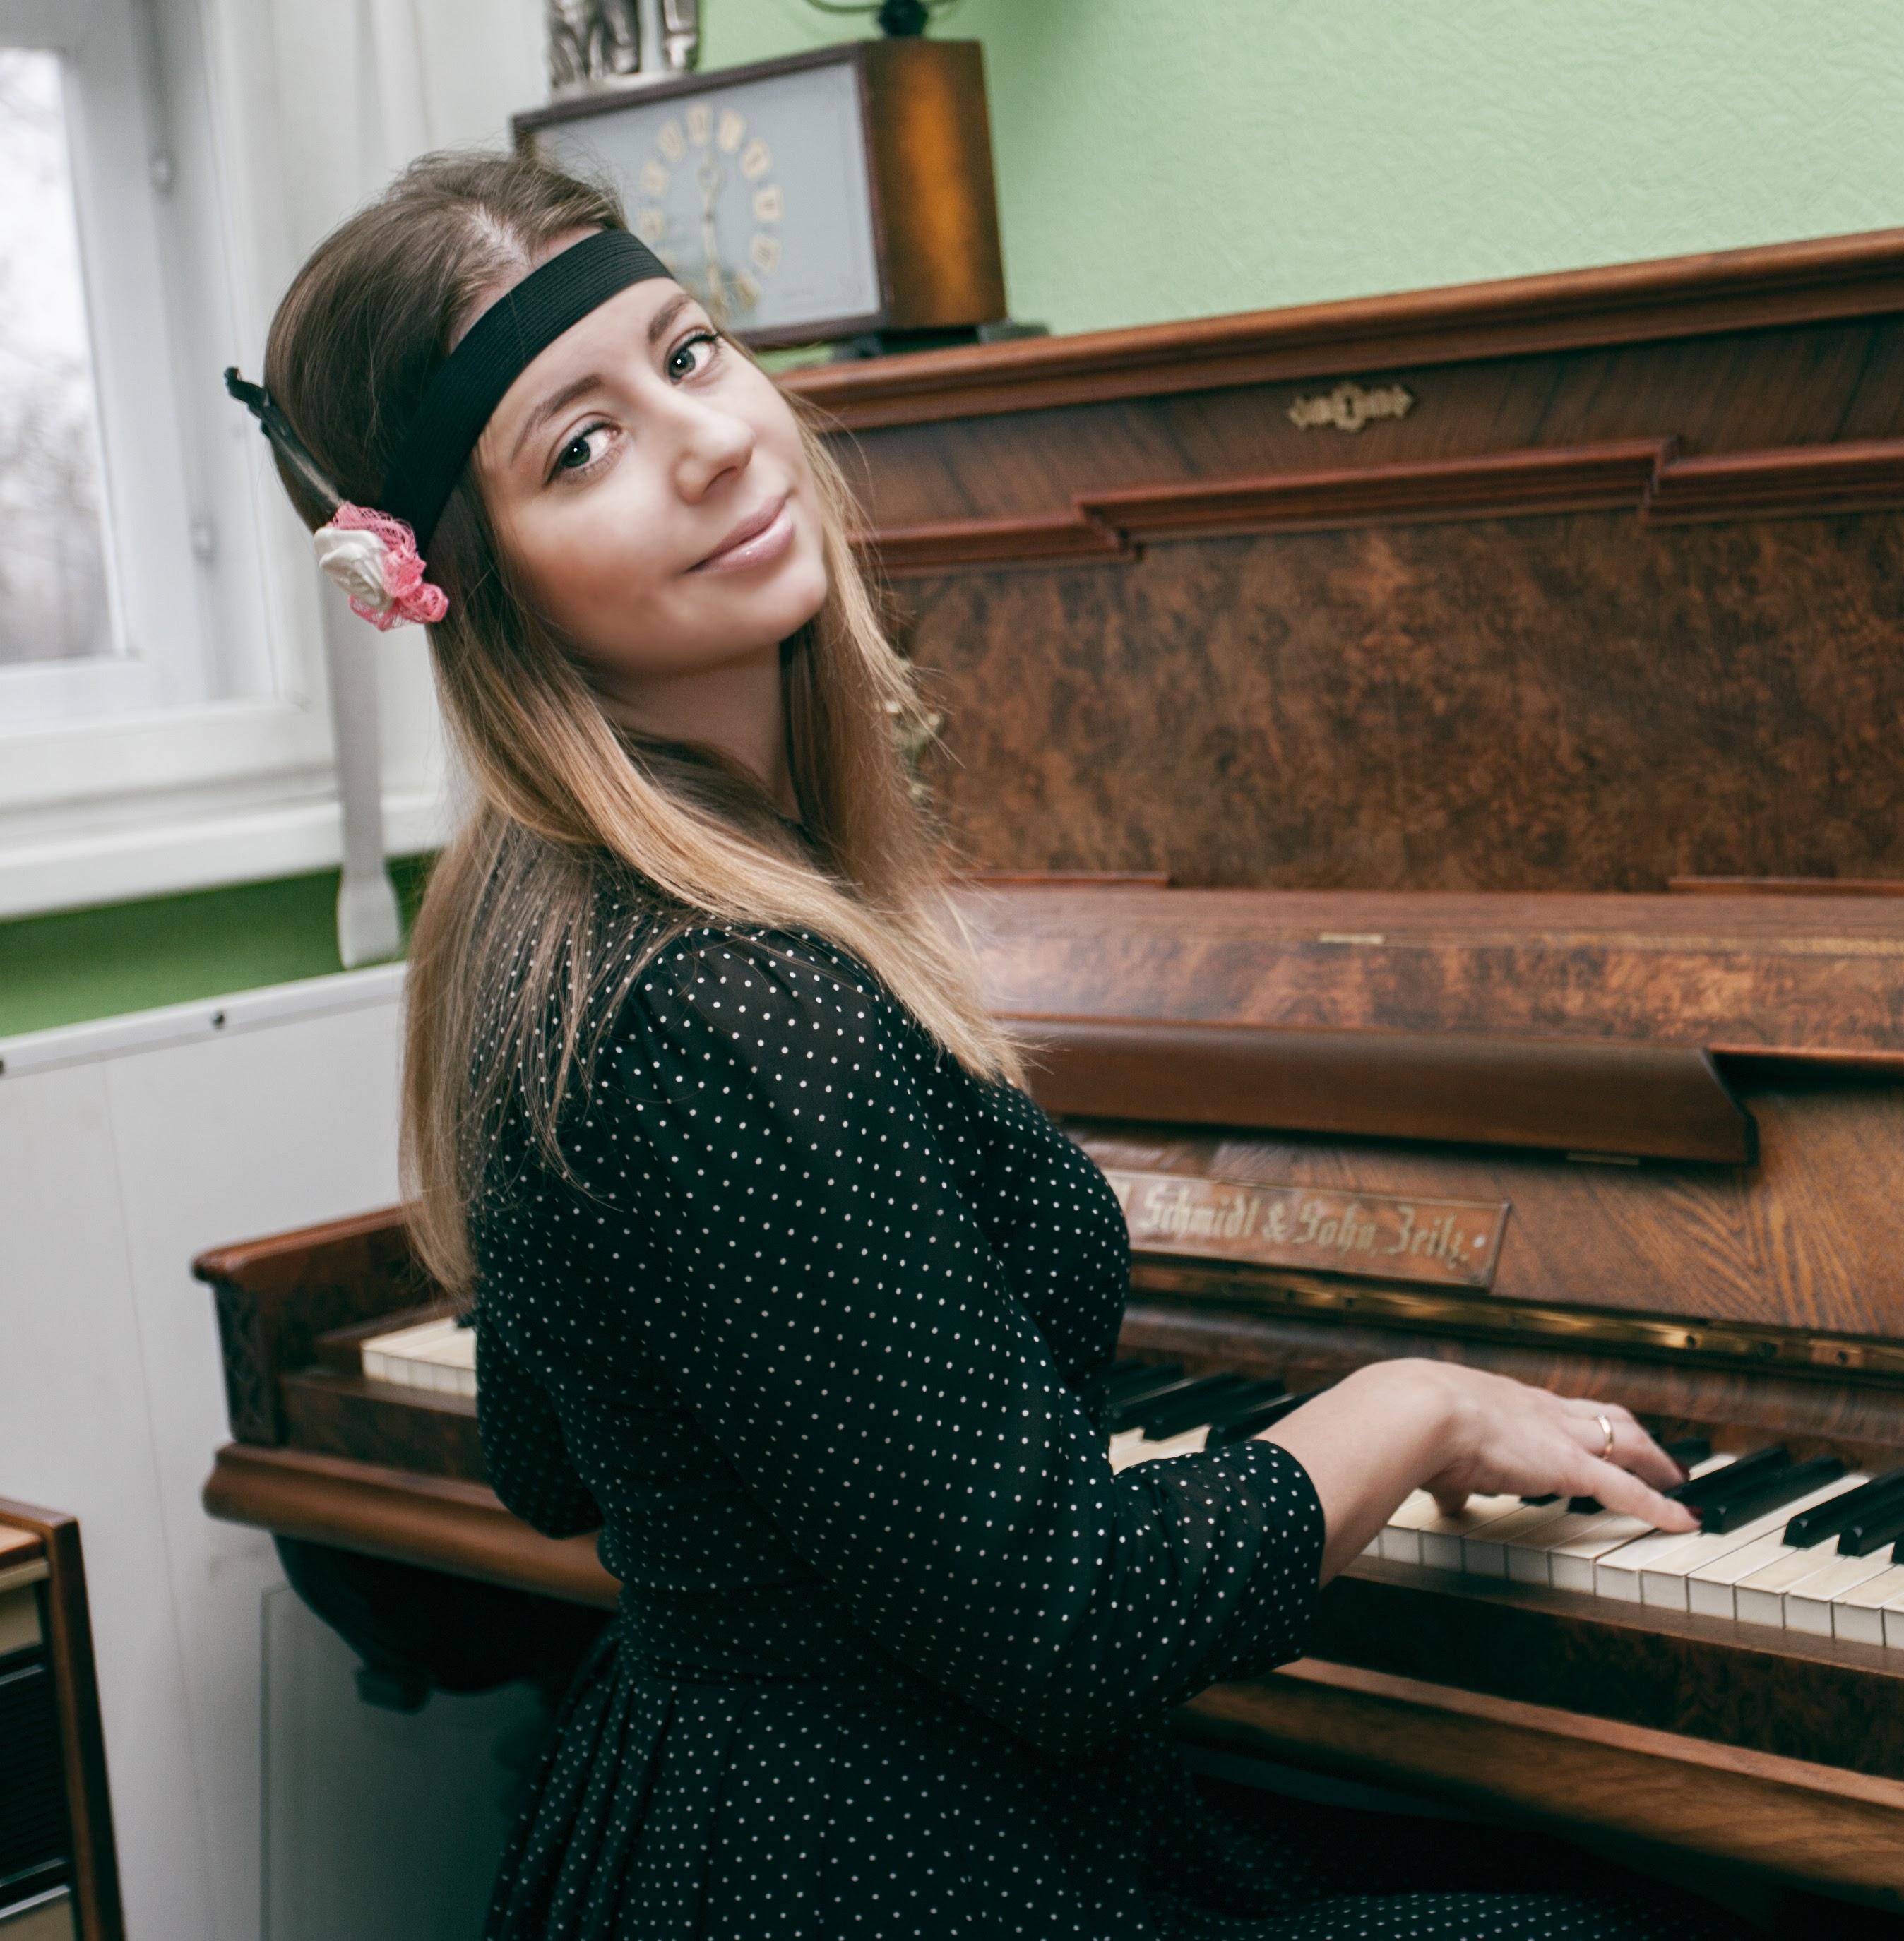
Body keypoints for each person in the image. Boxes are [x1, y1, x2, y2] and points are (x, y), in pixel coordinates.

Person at [232, 152, 1742, 1940]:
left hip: (749, 1811)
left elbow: (554, 1460)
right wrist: (1411, 1403)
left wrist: (903, 1452)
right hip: (887, 1872)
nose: (705, 441)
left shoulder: (534, 922)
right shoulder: (732, 1005)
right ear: (475, 584)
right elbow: (1073, 1624)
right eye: (581, 445)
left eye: (690, 353)